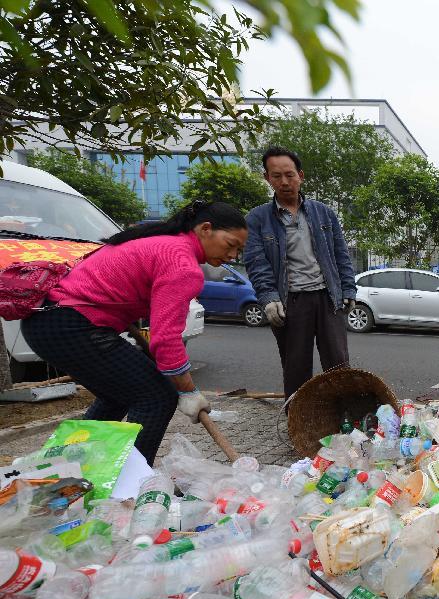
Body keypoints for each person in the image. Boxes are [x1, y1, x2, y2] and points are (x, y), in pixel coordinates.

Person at [21, 201, 247, 465]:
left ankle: (72, 466)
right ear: (206, 229)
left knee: (118, 395)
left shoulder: (162, 241)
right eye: (230, 244)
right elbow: (165, 339)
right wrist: (188, 391)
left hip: (49, 322)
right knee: (157, 396)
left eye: (238, 250)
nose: (232, 255)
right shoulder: (182, 263)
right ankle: (132, 482)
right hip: (71, 325)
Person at [243, 146, 357, 399]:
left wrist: (348, 289)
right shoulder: (258, 219)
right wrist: (269, 298)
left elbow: (342, 255)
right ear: (267, 178)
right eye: (276, 176)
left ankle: (342, 415)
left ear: (300, 176)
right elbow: (256, 262)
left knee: (338, 363)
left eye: (289, 174)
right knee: (296, 367)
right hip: (291, 301)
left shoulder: (323, 213)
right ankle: (298, 420)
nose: (284, 182)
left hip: (328, 298)